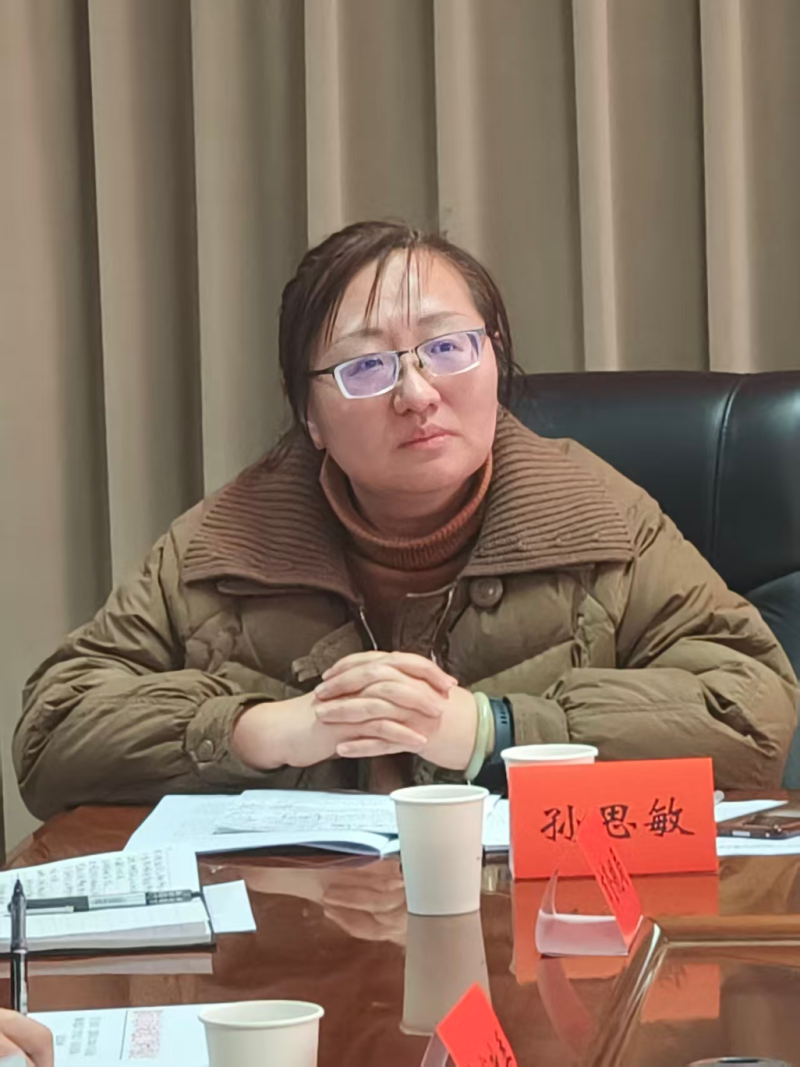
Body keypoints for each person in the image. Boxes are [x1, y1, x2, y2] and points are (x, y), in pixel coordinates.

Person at [16, 221, 798, 819]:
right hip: (296, 934)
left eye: (448, 347)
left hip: (541, 926)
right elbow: (53, 733)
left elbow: (754, 712)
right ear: (308, 413)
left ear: (495, 359)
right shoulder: (227, 542)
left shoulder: (598, 517)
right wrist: (261, 731)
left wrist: (493, 730)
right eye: (365, 366)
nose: (418, 394)